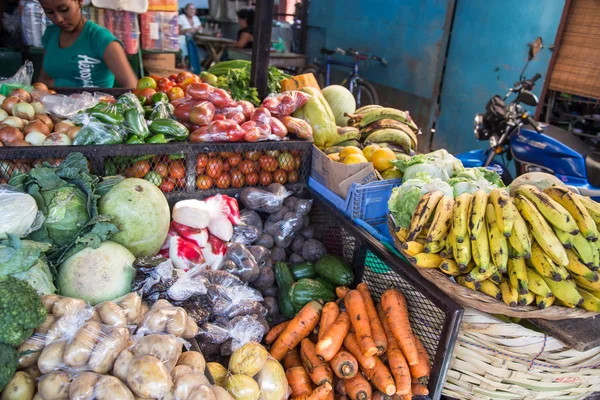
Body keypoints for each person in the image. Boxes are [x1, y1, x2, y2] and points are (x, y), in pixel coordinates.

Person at [38, 0, 137, 88]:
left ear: (79, 2)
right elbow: (44, 81)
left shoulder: (100, 38)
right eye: (49, 12)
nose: (58, 19)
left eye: (64, 9)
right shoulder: (51, 34)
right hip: (59, 106)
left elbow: (131, 86)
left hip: (95, 107)